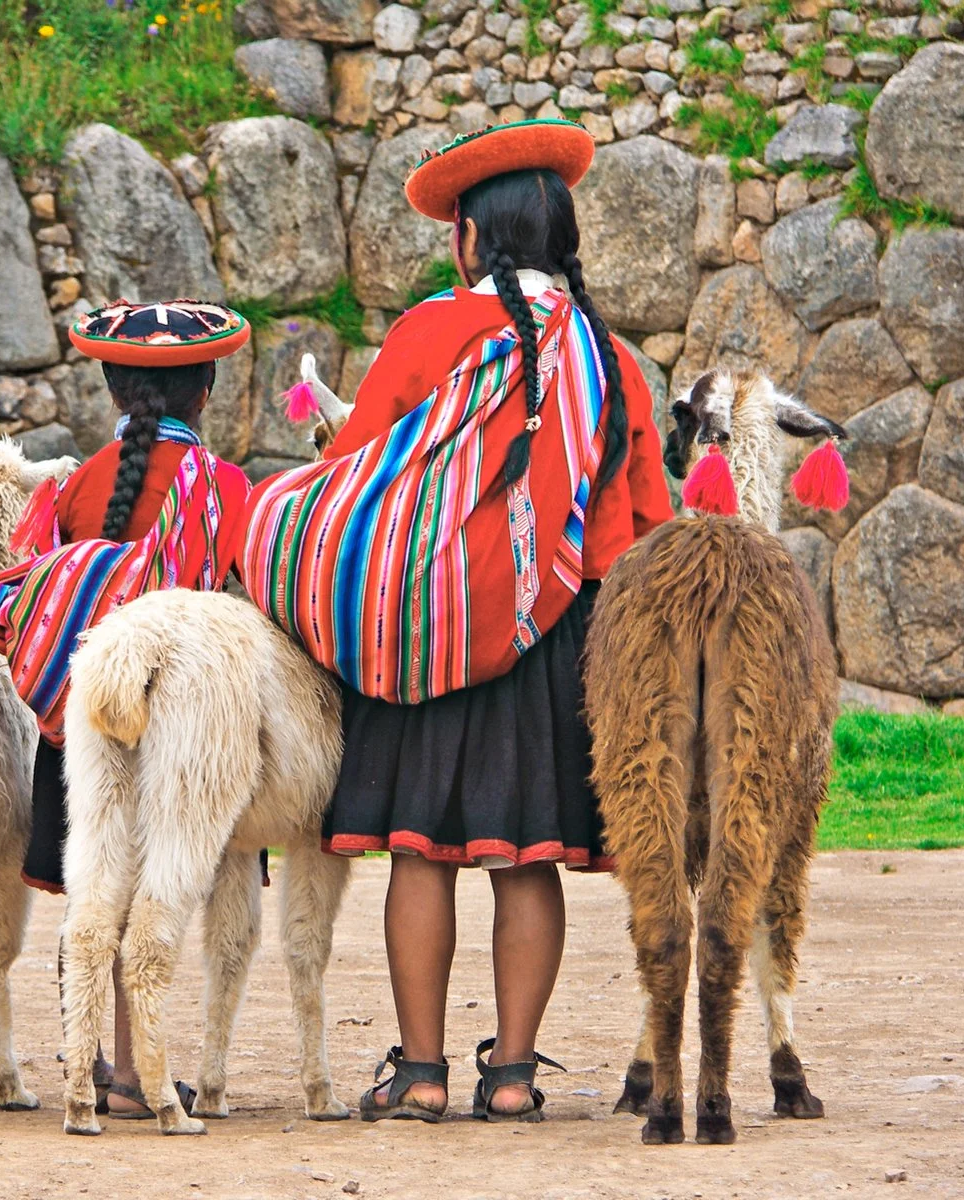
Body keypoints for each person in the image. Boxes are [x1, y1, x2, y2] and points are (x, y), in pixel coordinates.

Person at [259, 120, 674, 1122]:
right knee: (522, 856)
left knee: (421, 850)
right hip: (552, 642)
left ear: (467, 241)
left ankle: (420, 1071)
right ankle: (515, 1075)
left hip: (427, 636)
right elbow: (645, 524)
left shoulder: (429, 334)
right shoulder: (611, 364)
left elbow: (350, 471)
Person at [0, 299, 252, 1117]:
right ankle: (140, 1073)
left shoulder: (77, 485)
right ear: (205, 393)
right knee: (155, 890)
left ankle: (83, 1055)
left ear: (109, 391)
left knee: (93, 888)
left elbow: (30, 588)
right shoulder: (226, 487)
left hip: (86, 710)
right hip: (183, 718)